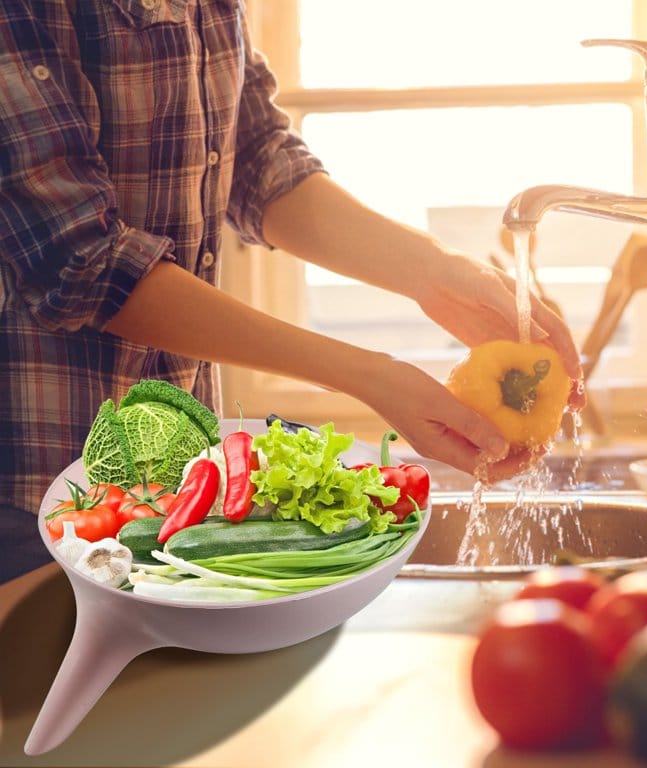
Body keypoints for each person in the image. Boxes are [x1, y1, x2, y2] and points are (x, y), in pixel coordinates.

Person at [0, 0, 583, 582]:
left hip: (178, 488)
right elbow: (80, 257)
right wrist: (368, 376)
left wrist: (437, 273)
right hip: (37, 501)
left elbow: (256, 158)